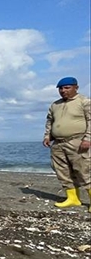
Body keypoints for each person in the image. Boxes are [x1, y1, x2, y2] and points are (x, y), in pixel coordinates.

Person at [43, 76, 91, 212]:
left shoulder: (85, 102)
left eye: (67, 88)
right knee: (62, 171)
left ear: (76, 87)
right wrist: (47, 136)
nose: (63, 91)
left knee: (83, 170)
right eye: (61, 88)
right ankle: (72, 198)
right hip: (58, 143)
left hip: (78, 141)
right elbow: (49, 121)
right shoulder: (55, 104)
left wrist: (88, 138)